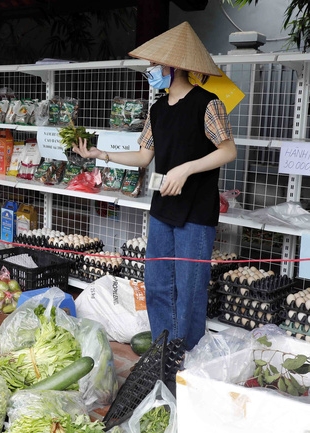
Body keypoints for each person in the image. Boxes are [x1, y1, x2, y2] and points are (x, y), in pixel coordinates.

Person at [72, 22, 237, 350]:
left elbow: (229, 150)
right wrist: (100, 153)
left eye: (154, 66)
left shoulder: (208, 103)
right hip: (163, 209)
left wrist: (186, 169)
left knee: (189, 288)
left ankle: (185, 354)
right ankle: (164, 349)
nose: (151, 71)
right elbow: (145, 156)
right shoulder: (157, 109)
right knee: (158, 284)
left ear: (172, 67)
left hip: (196, 213)